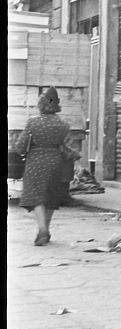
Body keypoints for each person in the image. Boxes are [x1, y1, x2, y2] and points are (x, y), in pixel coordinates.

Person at [13, 87, 80, 246]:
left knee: (36, 196)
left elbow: (21, 146)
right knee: (50, 197)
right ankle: (46, 231)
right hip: (55, 162)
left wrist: (19, 148)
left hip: (35, 162)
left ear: (41, 104)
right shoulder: (63, 125)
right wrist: (75, 159)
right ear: (57, 105)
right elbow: (69, 148)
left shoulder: (33, 122)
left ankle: (42, 229)